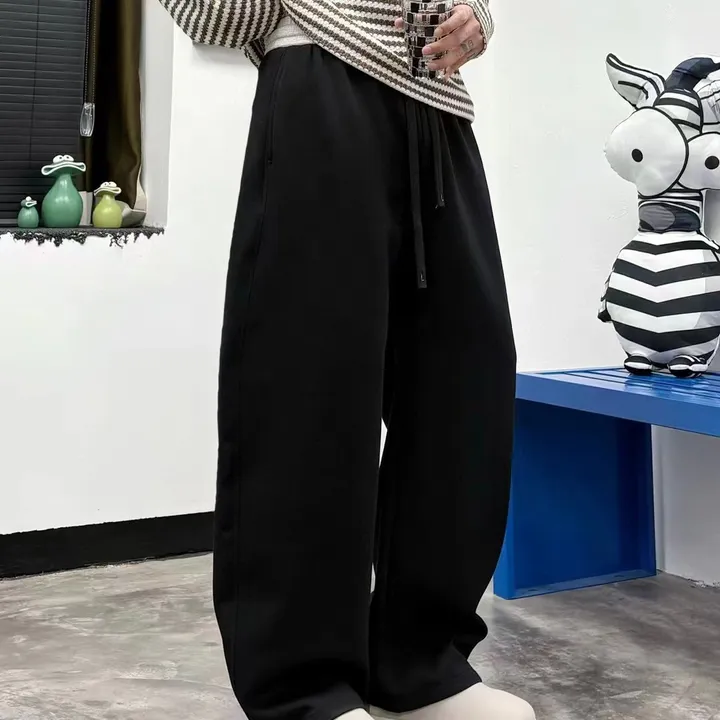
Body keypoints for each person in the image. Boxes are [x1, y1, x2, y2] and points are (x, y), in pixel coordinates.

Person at [161, 1, 534, 719]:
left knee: (463, 387)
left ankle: (419, 665)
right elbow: (218, 19)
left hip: (437, 108)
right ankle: (303, 689)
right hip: (316, 78)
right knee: (310, 388)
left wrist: (478, 16)